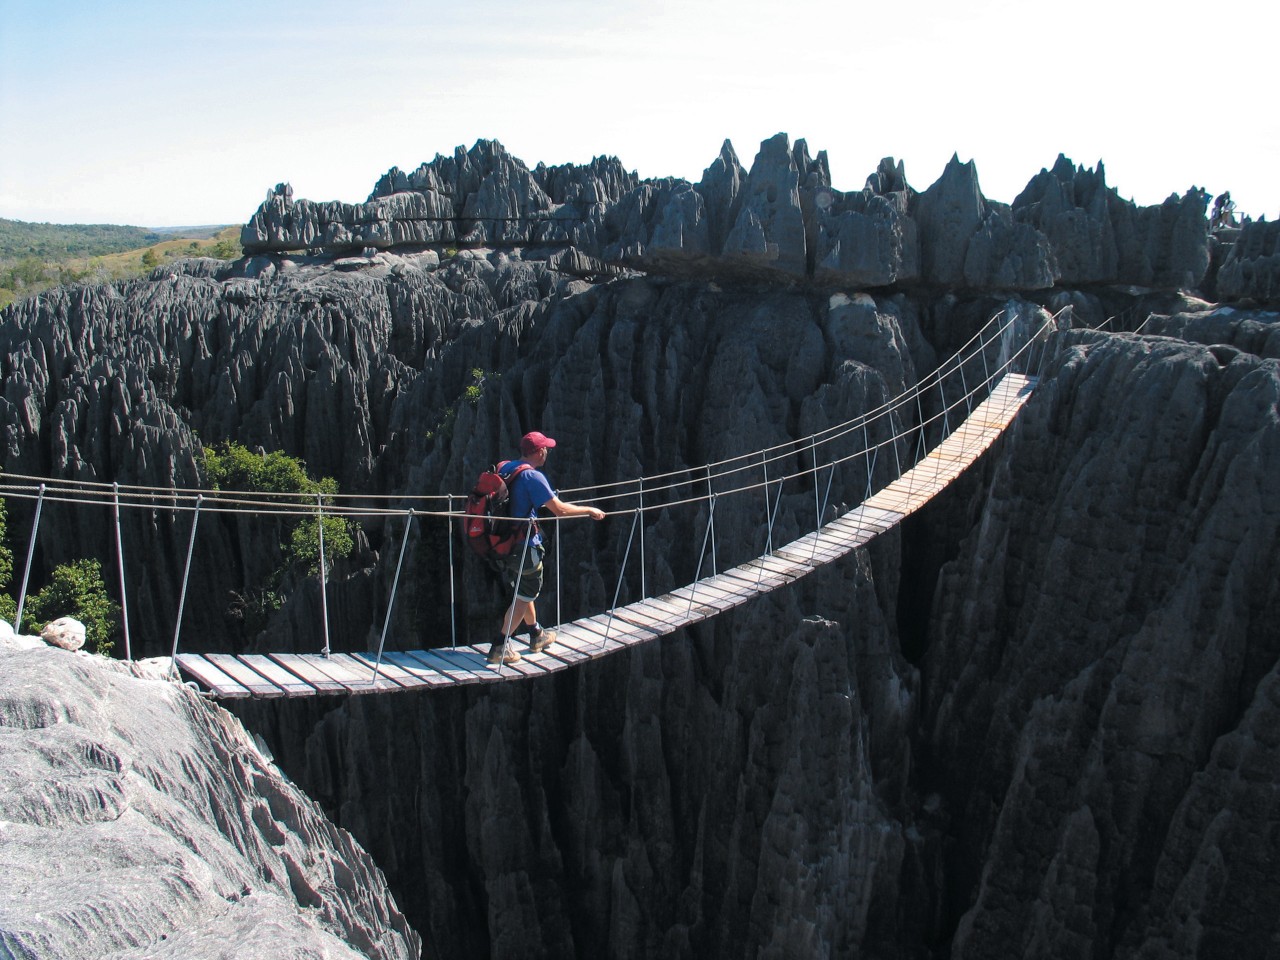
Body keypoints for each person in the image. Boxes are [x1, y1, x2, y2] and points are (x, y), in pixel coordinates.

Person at [489, 430, 606, 664]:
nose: (548, 453)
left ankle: (536, 634)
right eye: (546, 449)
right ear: (539, 451)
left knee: (524, 589)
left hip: (504, 545)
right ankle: (500, 645)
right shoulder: (533, 477)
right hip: (525, 547)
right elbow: (559, 510)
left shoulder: (506, 467)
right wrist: (589, 510)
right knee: (525, 594)